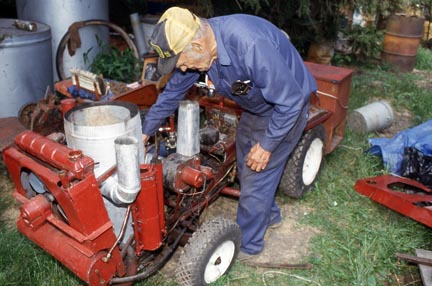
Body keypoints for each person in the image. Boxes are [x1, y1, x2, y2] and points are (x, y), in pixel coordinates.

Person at [141, 6, 317, 261]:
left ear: (199, 46)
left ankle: (248, 246)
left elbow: (290, 101)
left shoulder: (249, 45)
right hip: (258, 109)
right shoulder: (200, 49)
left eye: (183, 63)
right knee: (247, 168)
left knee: (257, 173)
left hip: (288, 107)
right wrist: (145, 132)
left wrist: (267, 145)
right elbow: (171, 94)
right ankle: (269, 216)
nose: (182, 69)